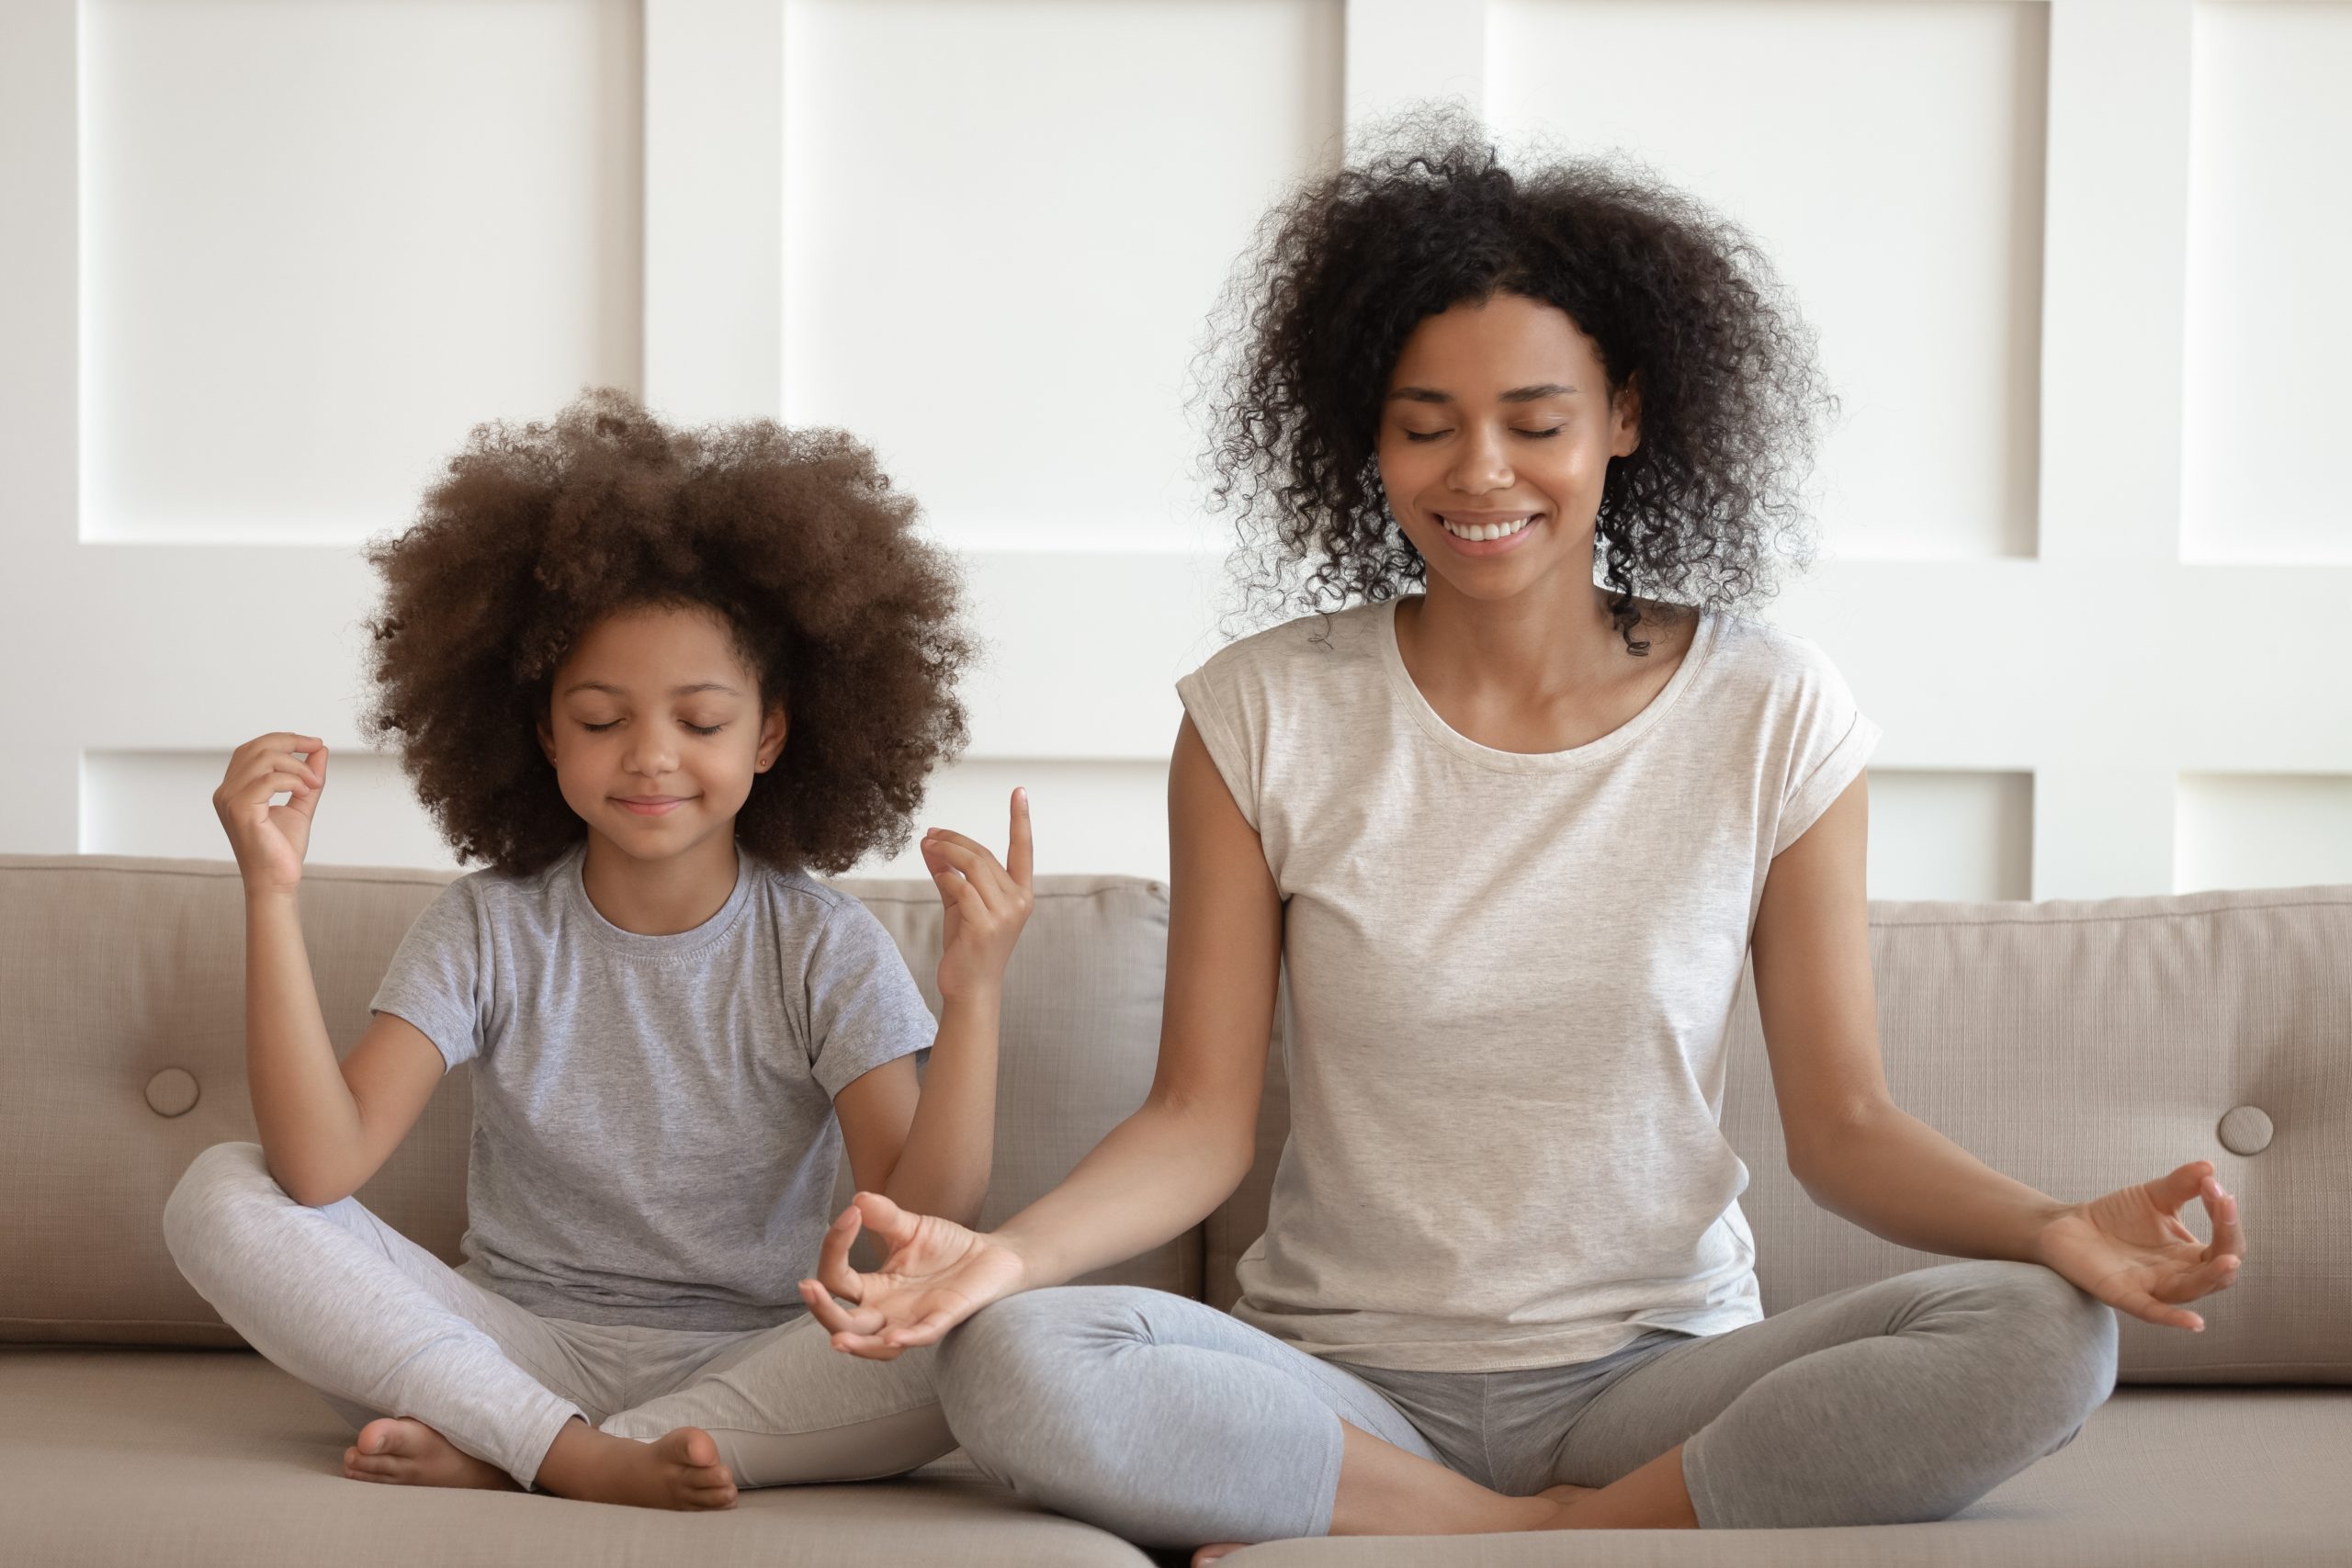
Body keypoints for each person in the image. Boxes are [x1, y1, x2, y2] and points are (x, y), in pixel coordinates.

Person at [791, 125, 2246, 1561]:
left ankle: (1519, 1528)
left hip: (1656, 1375)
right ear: (1365, 431)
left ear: (1624, 411)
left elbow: (1846, 1128)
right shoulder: (1260, 711)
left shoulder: (1770, 709)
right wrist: (1009, 1255)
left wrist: (2055, 1223)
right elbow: (1198, 1120)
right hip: (1340, 1382)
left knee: (2048, 1326)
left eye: (1536, 422)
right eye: (1426, 424)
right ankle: (1532, 1532)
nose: (1480, 474)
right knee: (1012, 1352)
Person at [164, 391, 1035, 1510]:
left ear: (770, 734)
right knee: (218, 1191)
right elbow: (318, 1170)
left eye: (702, 722)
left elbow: (916, 1224)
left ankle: (517, 1452)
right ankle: (579, 1454)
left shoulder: (823, 944)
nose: (651, 758)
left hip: (758, 1362)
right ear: (542, 734)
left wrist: (973, 997)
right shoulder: (490, 924)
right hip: (504, 1342)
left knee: (991, 1313)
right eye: (601, 718)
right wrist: (270, 893)